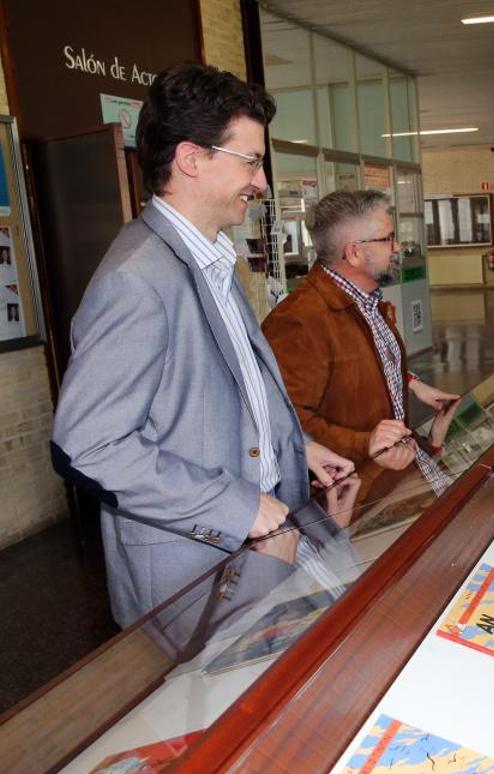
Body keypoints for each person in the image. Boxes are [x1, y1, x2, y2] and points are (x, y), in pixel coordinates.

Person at [50, 63, 351, 629]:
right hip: (195, 576)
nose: (261, 183)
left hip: (257, 554)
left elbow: (221, 395)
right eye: (252, 162)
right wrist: (235, 508)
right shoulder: (136, 280)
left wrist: (296, 446)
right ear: (192, 159)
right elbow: (89, 446)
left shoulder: (206, 257)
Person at [262, 189, 457, 491]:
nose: (397, 246)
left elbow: (356, 363)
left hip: (398, 478)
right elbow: (284, 421)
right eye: (387, 238)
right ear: (353, 252)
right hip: (359, 498)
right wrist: (367, 443)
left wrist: (411, 382)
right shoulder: (299, 321)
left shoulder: (367, 303)